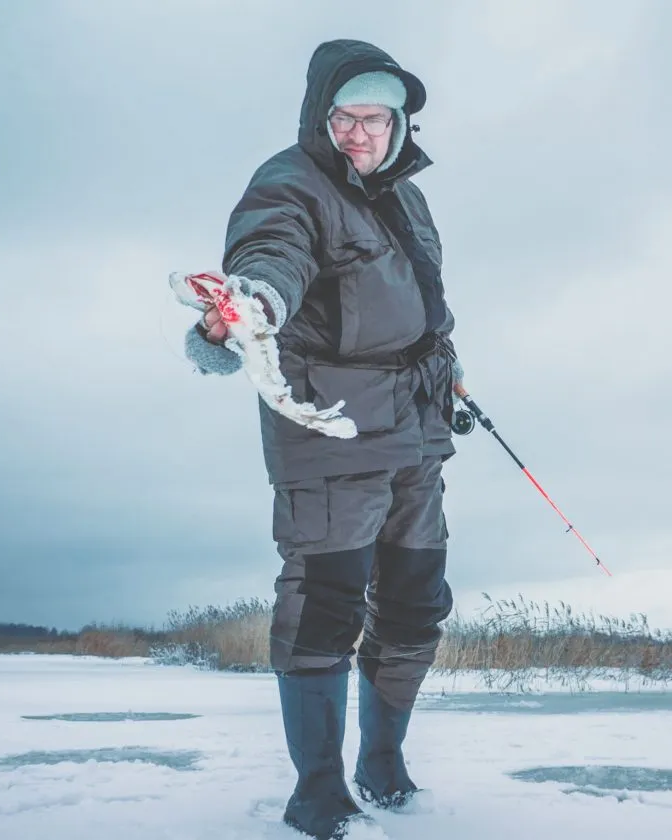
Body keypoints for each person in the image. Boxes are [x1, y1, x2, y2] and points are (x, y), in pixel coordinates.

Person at [184, 38, 463, 840]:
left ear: (399, 123)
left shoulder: (404, 196)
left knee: (415, 603)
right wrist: (252, 305)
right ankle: (317, 791)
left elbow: (422, 308)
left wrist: (452, 372)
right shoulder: (289, 183)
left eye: (376, 118)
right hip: (330, 428)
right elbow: (271, 254)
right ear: (321, 116)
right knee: (325, 605)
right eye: (344, 116)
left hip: (416, 427)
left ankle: (383, 762)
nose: (359, 133)